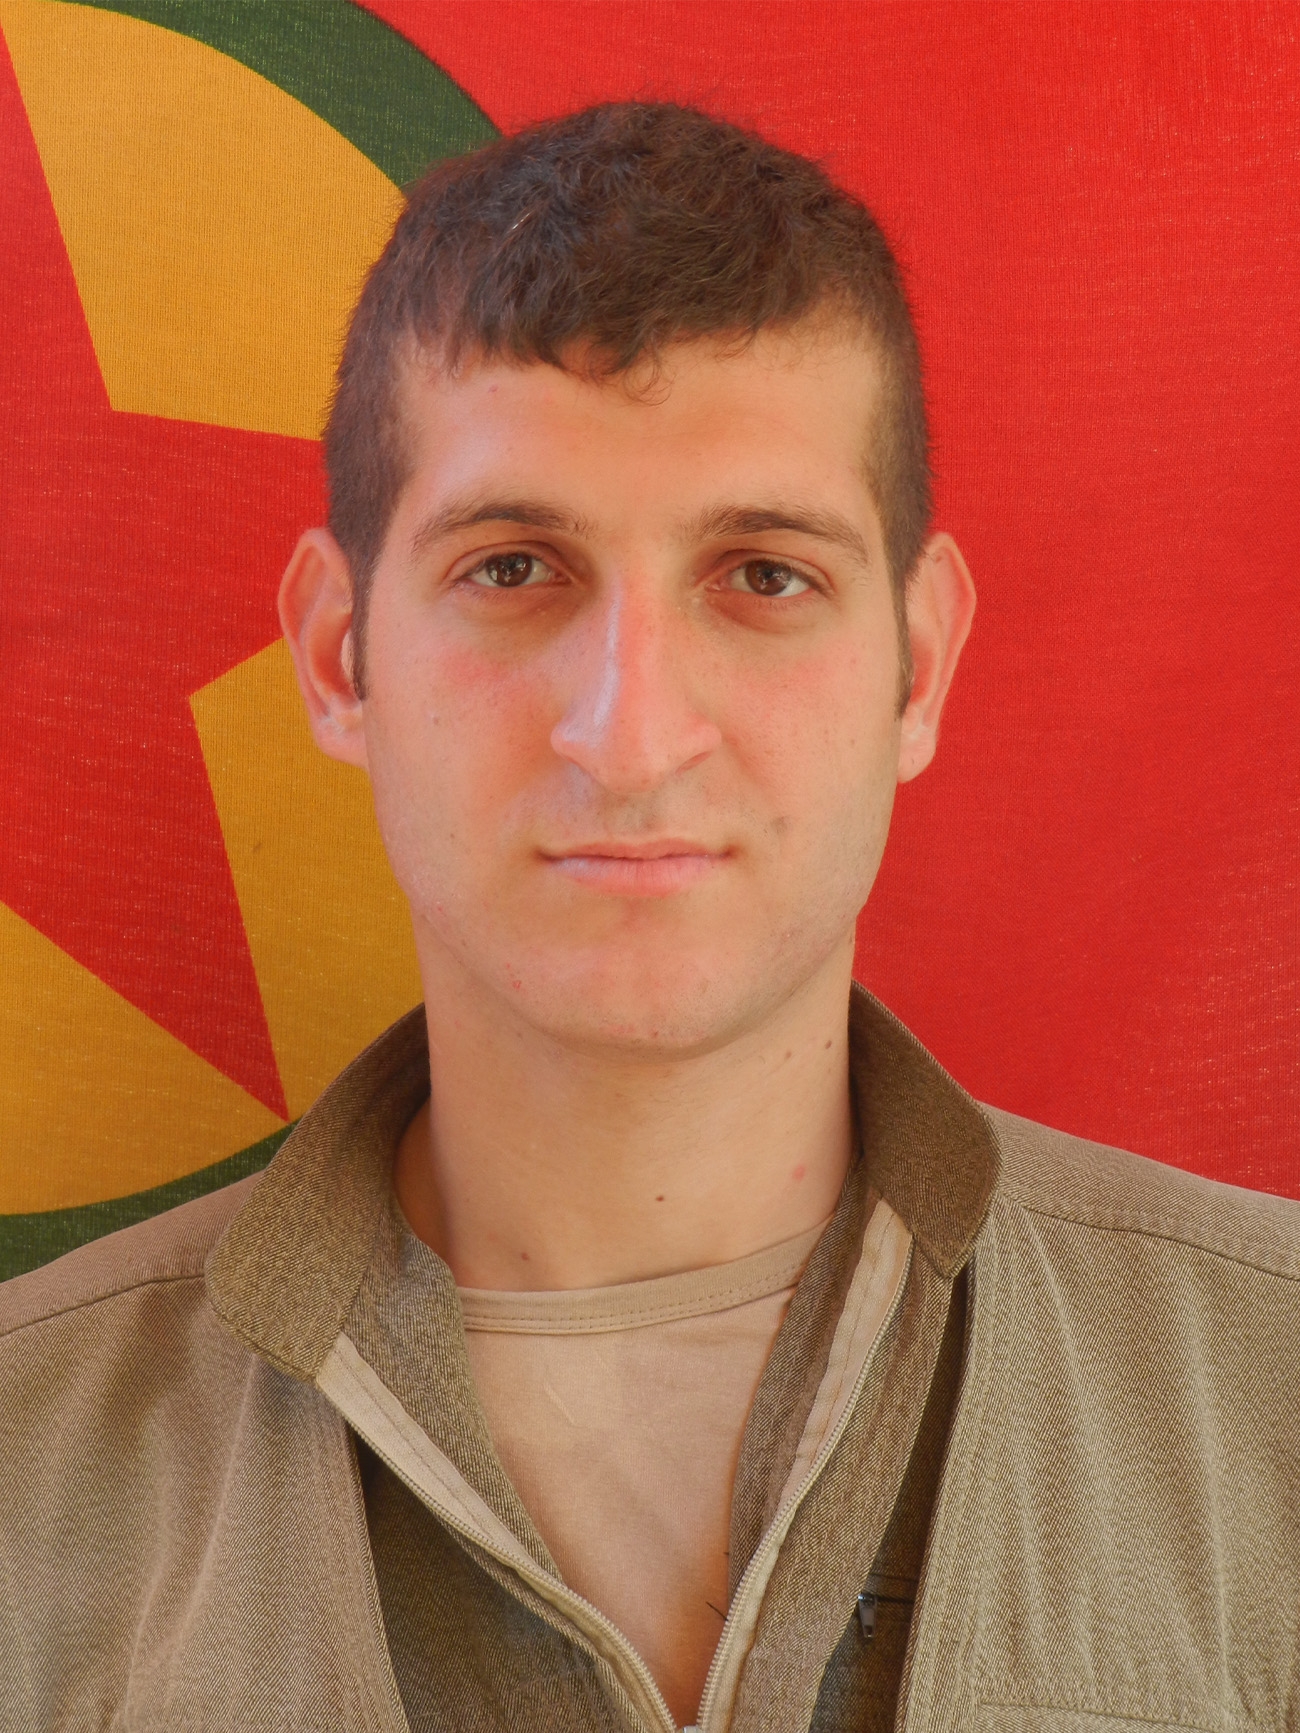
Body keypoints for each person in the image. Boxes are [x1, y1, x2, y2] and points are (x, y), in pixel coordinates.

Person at [2, 101, 1297, 1733]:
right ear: (338, 656)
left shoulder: (1275, 1396)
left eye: (762, 574)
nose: (629, 733)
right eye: (512, 567)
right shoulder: (27, 1482)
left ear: (920, 665)